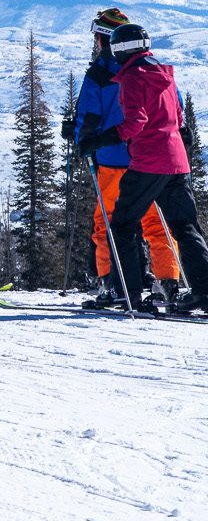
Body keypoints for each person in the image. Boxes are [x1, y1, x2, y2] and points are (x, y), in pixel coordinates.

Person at [77, 24, 208, 315]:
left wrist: (99, 139)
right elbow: (178, 118)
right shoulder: (163, 73)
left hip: (148, 161)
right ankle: (203, 291)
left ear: (121, 50)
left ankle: (129, 293)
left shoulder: (134, 77)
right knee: (185, 227)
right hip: (177, 163)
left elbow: (135, 122)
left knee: (122, 225)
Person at [67, 8, 180, 308]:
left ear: (105, 40)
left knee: (107, 223)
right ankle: (169, 281)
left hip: (112, 160)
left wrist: (79, 138)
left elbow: (88, 117)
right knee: (156, 223)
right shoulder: (152, 67)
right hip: (149, 159)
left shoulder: (100, 74)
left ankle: (112, 284)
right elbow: (173, 106)